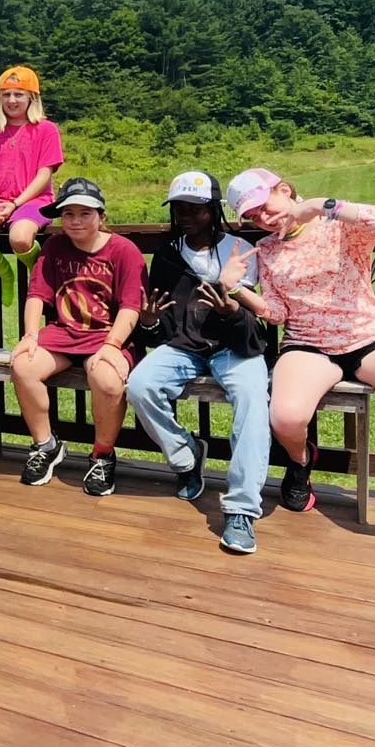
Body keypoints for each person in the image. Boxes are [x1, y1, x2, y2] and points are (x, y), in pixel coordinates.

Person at [221, 169, 375, 564]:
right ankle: (301, 462)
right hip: (307, 343)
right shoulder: (266, 250)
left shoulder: (338, 226)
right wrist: (237, 290)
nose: (262, 219)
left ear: (285, 190)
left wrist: (322, 206)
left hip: (367, 336)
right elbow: (279, 313)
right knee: (285, 418)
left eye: (264, 207)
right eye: (251, 216)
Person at [124, 171, 271, 554]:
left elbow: (254, 316)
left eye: (196, 209)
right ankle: (186, 455)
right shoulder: (169, 255)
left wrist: (231, 310)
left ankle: (241, 510)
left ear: (213, 211)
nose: (186, 215)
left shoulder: (241, 249)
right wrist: (151, 323)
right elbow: (162, 323)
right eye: (179, 208)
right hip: (186, 348)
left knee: (253, 400)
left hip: (236, 348)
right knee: (140, 385)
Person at [11, 177, 144, 495]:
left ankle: (102, 455)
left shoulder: (123, 250)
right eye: (68, 214)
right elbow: (36, 295)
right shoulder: (55, 246)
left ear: (102, 216)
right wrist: (30, 335)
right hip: (63, 333)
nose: (75, 221)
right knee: (23, 366)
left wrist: (113, 344)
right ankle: (46, 445)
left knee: (108, 381)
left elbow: (131, 306)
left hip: (108, 335)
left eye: (85, 213)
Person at [0, 66, 64, 291]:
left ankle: (40, 278)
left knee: (20, 237)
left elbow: (44, 174)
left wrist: (15, 204)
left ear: (32, 97)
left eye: (19, 94)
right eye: (6, 94)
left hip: (35, 201)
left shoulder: (47, 129)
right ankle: (5, 273)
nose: (12, 100)